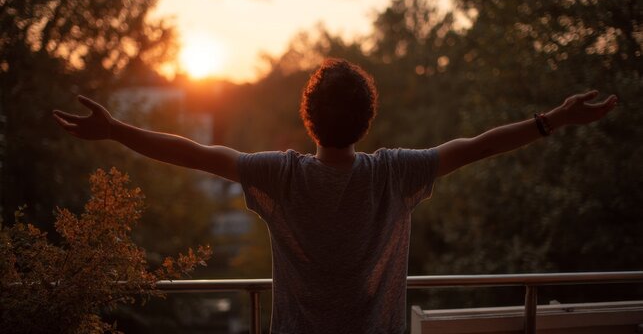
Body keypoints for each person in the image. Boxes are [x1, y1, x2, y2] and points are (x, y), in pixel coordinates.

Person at [53, 58, 617, 334]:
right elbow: (477, 146)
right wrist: (551, 122)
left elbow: (192, 151)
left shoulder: (281, 176)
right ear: (368, 120)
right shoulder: (395, 174)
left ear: (308, 118)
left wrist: (118, 131)